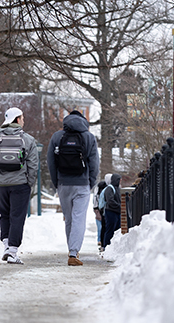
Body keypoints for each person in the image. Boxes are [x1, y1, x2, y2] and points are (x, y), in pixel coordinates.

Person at [0, 107, 39, 264]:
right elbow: (33, 164)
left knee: (4, 214)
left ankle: (6, 246)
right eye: (22, 118)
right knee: (17, 216)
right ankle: (13, 251)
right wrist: (29, 182)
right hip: (20, 183)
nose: (23, 120)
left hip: (0, 184)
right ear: (16, 120)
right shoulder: (27, 139)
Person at [47, 110, 99, 266]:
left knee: (69, 219)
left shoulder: (57, 137)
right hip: (82, 184)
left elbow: (51, 161)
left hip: (63, 184)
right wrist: (90, 182)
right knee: (79, 218)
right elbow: (94, 163)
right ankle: (73, 252)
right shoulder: (89, 137)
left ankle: (72, 250)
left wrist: (57, 182)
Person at [101, 173, 121, 251]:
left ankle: (112, 246)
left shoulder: (117, 188)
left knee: (116, 229)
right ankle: (106, 246)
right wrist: (119, 206)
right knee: (110, 229)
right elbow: (110, 200)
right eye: (119, 179)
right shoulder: (110, 188)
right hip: (111, 211)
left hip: (116, 211)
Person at [93, 180, 107, 248]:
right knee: (103, 226)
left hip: (97, 210)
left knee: (100, 227)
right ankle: (101, 240)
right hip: (102, 210)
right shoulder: (104, 192)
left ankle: (99, 240)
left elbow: (95, 202)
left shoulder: (97, 193)